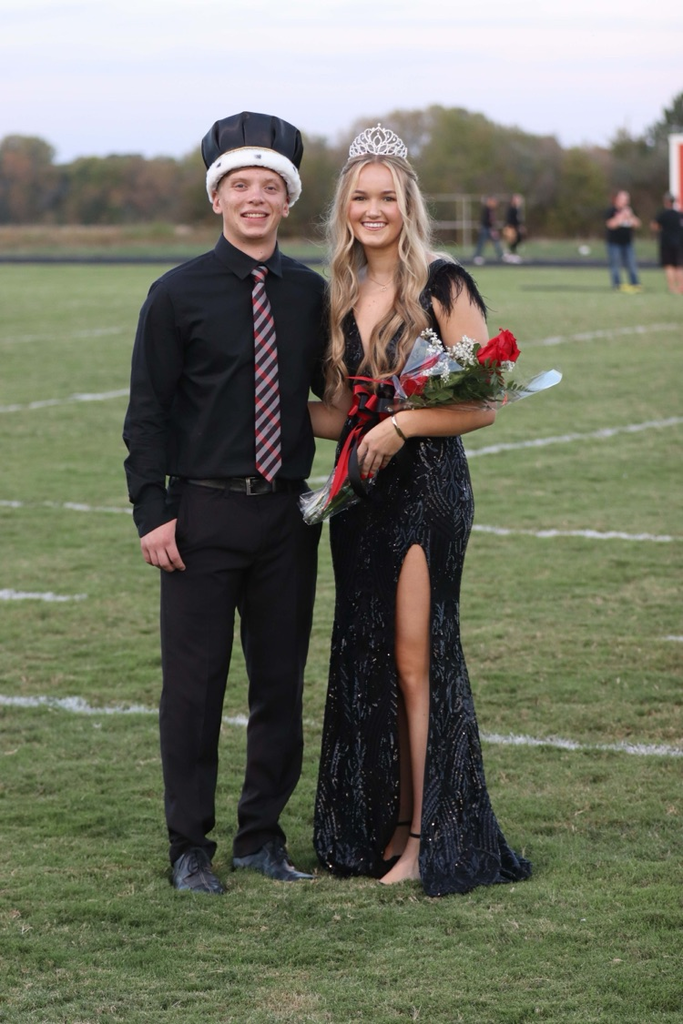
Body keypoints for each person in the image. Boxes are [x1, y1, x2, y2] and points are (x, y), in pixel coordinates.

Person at [309, 124, 532, 897]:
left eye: (386, 198)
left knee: (415, 662)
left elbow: (484, 404)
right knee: (370, 662)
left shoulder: (442, 283)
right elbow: (344, 417)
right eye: (359, 198)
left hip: (427, 489)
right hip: (360, 497)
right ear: (343, 209)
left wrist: (403, 424)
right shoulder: (339, 292)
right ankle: (379, 827)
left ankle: (423, 838)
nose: (373, 211)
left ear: (407, 205)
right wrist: (257, 405)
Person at [123, 111, 327, 894]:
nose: (254, 197)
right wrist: (153, 513)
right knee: (195, 687)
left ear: (284, 202)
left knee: (279, 682)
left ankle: (261, 839)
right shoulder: (175, 295)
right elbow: (146, 414)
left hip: (285, 515)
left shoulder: (308, 294)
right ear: (217, 198)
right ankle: (188, 847)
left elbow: (330, 399)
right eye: (239, 184)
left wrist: (411, 405)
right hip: (201, 515)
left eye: (268, 187)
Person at [604, 190, 642, 292]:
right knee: (615, 264)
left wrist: (630, 216)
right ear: (617, 199)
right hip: (614, 243)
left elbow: (637, 224)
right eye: (623, 199)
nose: (625, 201)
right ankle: (617, 285)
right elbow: (610, 225)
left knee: (631, 264)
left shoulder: (630, 211)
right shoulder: (611, 211)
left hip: (627, 243)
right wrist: (621, 217)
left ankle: (635, 283)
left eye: (627, 199)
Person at [650, 192, 683, 294]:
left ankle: (672, 287)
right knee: (679, 266)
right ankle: (681, 287)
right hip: (680, 243)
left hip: (666, 243)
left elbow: (654, 226)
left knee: (669, 266)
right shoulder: (679, 214)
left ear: (666, 202)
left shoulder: (662, 214)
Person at [472, 195, 503, 265]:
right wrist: (492, 229)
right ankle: (476, 256)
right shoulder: (486, 209)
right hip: (486, 228)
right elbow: (486, 220)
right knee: (481, 242)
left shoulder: (491, 210)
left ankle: (501, 255)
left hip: (489, 228)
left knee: (496, 242)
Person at [502, 193, 525, 263]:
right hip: (511, 227)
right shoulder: (511, 209)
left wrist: (520, 226)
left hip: (516, 227)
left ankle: (512, 254)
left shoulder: (518, 209)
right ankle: (509, 254)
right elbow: (509, 219)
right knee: (511, 240)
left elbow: (519, 220)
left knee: (517, 240)